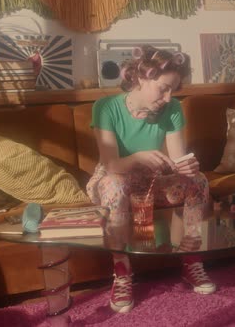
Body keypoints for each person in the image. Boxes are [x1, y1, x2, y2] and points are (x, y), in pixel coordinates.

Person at [86, 45, 216, 314]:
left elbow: (178, 160)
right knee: (115, 185)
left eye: (173, 90)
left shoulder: (173, 109)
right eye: (163, 88)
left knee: (199, 182)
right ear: (142, 78)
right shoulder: (106, 107)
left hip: (153, 181)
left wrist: (188, 166)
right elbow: (111, 164)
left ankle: (191, 260)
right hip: (117, 177)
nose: (169, 98)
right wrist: (138, 157)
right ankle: (122, 273)